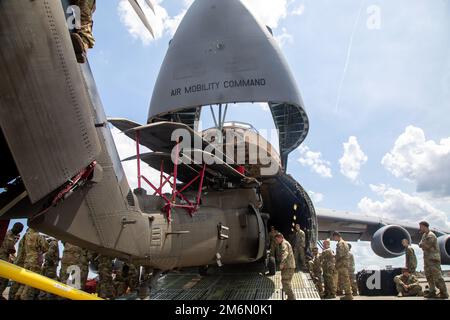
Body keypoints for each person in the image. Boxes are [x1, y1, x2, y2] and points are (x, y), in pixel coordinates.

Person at [418, 221, 448, 299]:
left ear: (425, 226)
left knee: (437, 277)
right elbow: (420, 244)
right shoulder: (424, 235)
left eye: (420, 227)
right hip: (427, 259)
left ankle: (444, 293)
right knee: (429, 276)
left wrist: (422, 244)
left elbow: (426, 246)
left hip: (433, 259)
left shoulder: (431, 235)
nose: (420, 228)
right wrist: (422, 244)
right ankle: (432, 292)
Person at [19, 228, 49, 300]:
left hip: (26, 260)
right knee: (31, 283)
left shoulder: (25, 236)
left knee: (24, 281)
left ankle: (18, 294)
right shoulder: (38, 236)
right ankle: (25, 298)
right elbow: (46, 247)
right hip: (35, 261)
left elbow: (21, 248)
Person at [0, 222, 24, 299]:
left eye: (20, 230)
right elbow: (8, 248)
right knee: (4, 279)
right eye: (19, 229)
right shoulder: (6, 234)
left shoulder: (15, 236)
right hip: (1, 258)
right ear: (15, 227)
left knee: (4, 279)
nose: (19, 231)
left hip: (5, 259)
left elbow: (11, 248)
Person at [275, 233, 296, 300]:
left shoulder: (284, 244)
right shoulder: (285, 243)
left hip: (288, 267)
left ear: (280, 237)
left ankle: (292, 298)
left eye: (277, 239)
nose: (276, 241)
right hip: (289, 266)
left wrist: (282, 263)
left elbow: (285, 253)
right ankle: (290, 298)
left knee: (285, 282)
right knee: (287, 282)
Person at [333, 232, 353, 300]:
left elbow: (340, 254)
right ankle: (348, 294)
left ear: (337, 236)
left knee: (345, 279)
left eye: (334, 237)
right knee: (345, 279)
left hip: (342, 264)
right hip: (345, 263)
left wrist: (335, 258)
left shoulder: (340, 243)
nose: (334, 239)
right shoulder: (345, 243)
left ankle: (348, 295)